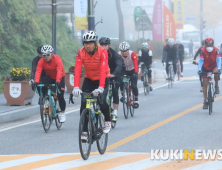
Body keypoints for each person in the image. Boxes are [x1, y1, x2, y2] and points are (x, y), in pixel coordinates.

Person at [72, 31, 111, 134]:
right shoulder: (80, 53)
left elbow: (103, 70)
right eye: (85, 43)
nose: (87, 45)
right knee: (84, 104)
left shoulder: (103, 52)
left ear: (95, 43)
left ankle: (107, 120)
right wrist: (76, 87)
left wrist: (101, 87)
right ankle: (84, 131)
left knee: (102, 100)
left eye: (90, 43)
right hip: (89, 79)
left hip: (102, 79)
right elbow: (77, 70)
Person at [34, 45, 66, 123]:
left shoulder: (57, 59)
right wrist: (36, 81)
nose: (46, 57)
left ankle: (62, 113)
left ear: (51, 54)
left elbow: (59, 70)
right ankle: (46, 99)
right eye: (44, 55)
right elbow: (38, 71)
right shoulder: (41, 61)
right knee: (41, 85)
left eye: (48, 55)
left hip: (60, 77)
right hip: (50, 77)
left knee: (60, 95)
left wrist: (58, 81)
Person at [99, 37, 123, 119]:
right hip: (103, 75)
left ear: (109, 45)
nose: (103, 47)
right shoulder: (97, 53)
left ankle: (115, 112)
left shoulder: (114, 53)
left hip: (113, 74)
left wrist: (114, 74)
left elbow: (119, 64)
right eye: (101, 45)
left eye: (105, 45)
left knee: (115, 91)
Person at [197, 38, 221, 109]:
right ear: (205, 45)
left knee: (216, 73)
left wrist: (219, 68)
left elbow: (218, 60)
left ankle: (216, 86)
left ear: (213, 45)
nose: (209, 47)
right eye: (207, 46)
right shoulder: (202, 50)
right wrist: (199, 69)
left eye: (211, 45)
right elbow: (201, 60)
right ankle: (205, 101)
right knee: (205, 83)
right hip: (205, 66)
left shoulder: (216, 50)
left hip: (214, 65)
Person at [118, 41, 139, 108]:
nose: (123, 52)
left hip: (132, 70)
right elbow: (117, 65)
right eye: (122, 51)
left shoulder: (132, 54)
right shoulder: (119, 54)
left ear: (128, 50)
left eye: (125, 51)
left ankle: (136, 99)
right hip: (124, 70)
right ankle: (122, 95)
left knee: (133, 85)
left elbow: (136, 64)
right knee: (121, 81)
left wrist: (136, 73)